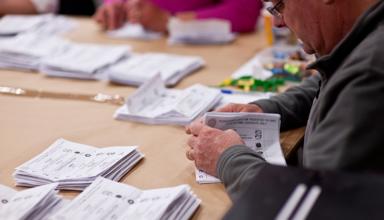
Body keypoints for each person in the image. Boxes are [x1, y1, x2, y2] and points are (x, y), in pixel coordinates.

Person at [186, 0, 384, 201]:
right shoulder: (364, 39)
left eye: (280, 6)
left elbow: (312, 205)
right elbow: (328, 80)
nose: (277, 23)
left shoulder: (370, 75)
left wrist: (227, 158)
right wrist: (266, 109)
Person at [93, 0, 263, 32]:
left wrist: (173, 22)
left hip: (201, 52)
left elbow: (245, 11)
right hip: (139, 46)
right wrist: (115, 4)